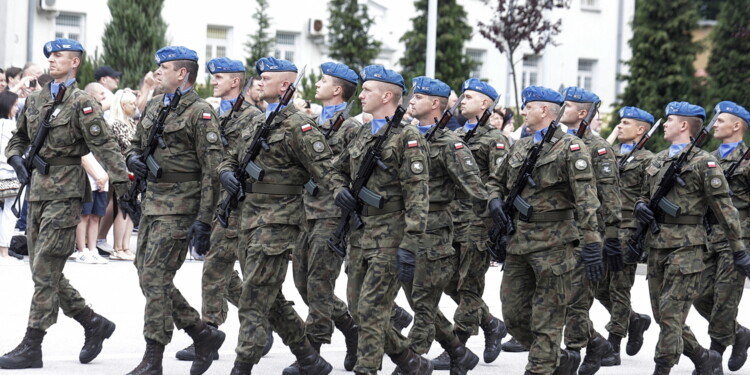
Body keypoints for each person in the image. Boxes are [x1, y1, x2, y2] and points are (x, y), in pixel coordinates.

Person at [0, 38, 130, 369]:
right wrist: (15, 157)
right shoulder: (37, 100)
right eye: (50, 56)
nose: (52, 60)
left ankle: (33, 345)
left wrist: (124, 187)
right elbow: (19, 138)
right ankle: (92, 322)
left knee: (44, 269)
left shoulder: (82, 102)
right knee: (41, 269)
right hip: (38, 192)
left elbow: (106, 146)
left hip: (66, 193)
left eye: (59, 56)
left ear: (74, 62)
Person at [217, 56, 344, 374]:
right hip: (249, 218)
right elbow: (229, 158)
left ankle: (242, 364)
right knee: (267, 296)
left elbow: (328, 170)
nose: (258, 81)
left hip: (280, 221)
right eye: (258, 77)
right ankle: (308, 357)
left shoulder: (298, 125)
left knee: (253, 297)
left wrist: (345, 209)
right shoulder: (255, 121)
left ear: (285, 85)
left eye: (266, 78)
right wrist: (226, 174)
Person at [487, 86, 603, 375]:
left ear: (545, 111)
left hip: (556, 245)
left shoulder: (571, 148)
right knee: (513, 315)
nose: (523, 111)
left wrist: (592, 242)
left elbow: (587, 198)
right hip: (518, 242)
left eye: (528, 107)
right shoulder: (520, 146)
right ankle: (557, 359)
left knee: (547, 317)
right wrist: (495, 200)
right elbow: (494, 181)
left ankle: (540, 365)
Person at [123, 46, 225, 375]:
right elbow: (136, 147)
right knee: (148, 275)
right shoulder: (154, 106)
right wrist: (133, 161)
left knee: (155, 277)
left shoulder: (201, 112)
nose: (157, 73)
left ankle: (153, 357)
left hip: (181, 206)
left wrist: (205, 221)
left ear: (182, 73)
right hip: (152, 202)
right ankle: (201, 333)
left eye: (164, 68)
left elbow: (213, 171)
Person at [634, 101, 748, 375]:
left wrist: (740, 249)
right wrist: (640, 207)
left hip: (703, 243)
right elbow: (645, 194)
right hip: (673, 242)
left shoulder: (704, 162)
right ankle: (706, 354)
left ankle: (679, 363)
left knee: (698, 307)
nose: (663, 124)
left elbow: (725, 207)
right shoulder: (663, 159)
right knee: (670, 312)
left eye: (669, 119)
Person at [333, 64, 433, 374]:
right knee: (357, 309)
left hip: (391, 235)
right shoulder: (362, 131)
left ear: (387, 95)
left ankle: (367, 369)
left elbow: (418, 195)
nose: (360, 94)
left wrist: (410, 243)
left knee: (372, 309)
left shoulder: (409, 137)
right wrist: (340, 191)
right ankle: (409, 360)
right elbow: (337, 169)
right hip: (361, 233)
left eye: (367, 90)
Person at [173, 57, 265, 363]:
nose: (214, 81)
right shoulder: (211, 113)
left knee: (247, 275)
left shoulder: (253, 117)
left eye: (220, 77)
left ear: (236, 81)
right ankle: (211, 332)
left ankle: (264, 324)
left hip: (243, 205)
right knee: (217, 271)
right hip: (216, 203)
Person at [283, 61, 361, 375]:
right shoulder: (313, 122)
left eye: (324, 80)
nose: (317, 83)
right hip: (307, 211)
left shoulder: (352, 127)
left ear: (338, 89)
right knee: (303, 283)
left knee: (319, 283)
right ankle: (351, 328)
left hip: (331, 214)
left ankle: (312, 352)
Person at [406, 76, 487, 375]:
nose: (412, 101)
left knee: (424, 301)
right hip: (407, 229)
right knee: (415, 299)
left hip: (436, 230)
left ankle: (410, 360)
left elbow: (476, 191)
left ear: (436, 104)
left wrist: (483, 234)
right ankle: (457, 351)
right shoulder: (408, 137)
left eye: (420, 97)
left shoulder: (452, 145)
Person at [431, 78, 509, 371]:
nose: (462, 101)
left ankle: (457, 346)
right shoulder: (458, 134)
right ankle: (490, 323)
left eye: (470, 97)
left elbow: (500, 182)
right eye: (462, 97)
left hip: (479, 220)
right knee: (450, 280)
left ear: (485, 104)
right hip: (453, 218)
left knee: (469, 286)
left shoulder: (495, 140)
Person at [559, 87, 622, 375]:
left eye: (568, 104)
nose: (562, 107)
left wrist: (610, 238)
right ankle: (596, 342)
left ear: (582, 113)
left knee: (577, 299)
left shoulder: (599, 148)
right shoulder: (557, 142)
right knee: (558, 297)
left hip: (586, 233)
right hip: (556, 231)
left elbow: (609, 196)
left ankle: (575, 352)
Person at [691, 101, 750, 373]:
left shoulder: (748, 158)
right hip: (708, 236)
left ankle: (714, 355)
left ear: (737, 125)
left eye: (720, 121)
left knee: (726, 297)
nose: (714, 125)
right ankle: (738, 334)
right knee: (699, 294)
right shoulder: (708, 158)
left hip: (738, 237)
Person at [601, 106, 656, 367]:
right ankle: (634, 320)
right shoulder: (610, 154)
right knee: (599, 285)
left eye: (625, 123)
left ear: (641, 130)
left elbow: (649, 198)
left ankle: (613, 345)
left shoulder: (648, 160)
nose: (619, 127)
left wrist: (640, 238)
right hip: (603, 227)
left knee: (619, 288)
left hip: (627, 230)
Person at [72, 153, 110, 264]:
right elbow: (83, 159)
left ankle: (93, 249)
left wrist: (105, 177)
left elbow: (113, 160)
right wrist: (98, 178)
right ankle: (82, 250)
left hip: (103, 182)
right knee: (84, 216)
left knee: (96, 217)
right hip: (87, 180)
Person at [0, 90, 22, 265]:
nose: (16, 108)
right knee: (10, 214)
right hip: (9, 175)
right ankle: (4, 253)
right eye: (14, 105)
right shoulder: (9, 127)